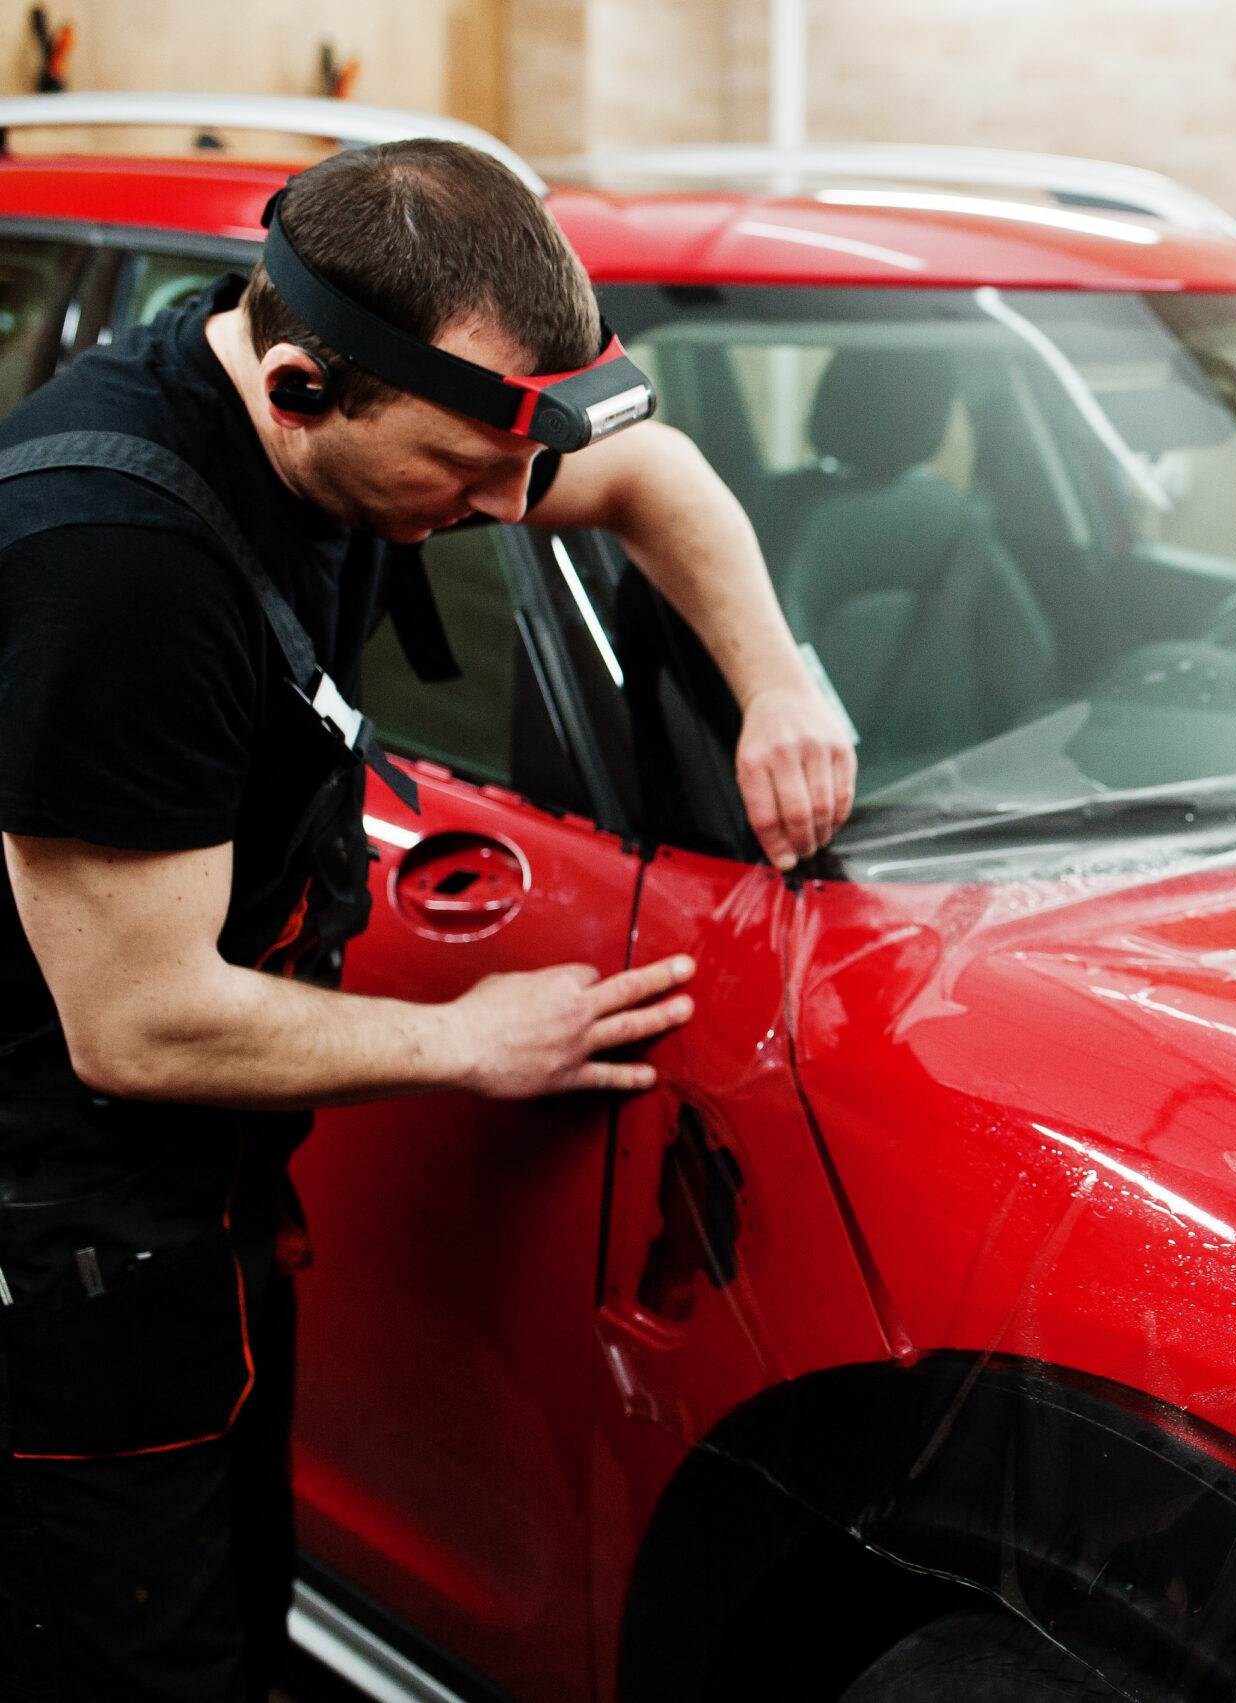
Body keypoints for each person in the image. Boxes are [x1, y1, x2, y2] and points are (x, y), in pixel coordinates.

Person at [0, 141, 854, 1699]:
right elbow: (131, 1021)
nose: (505, 509)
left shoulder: (381, 409)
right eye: (463, 479)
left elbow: (646, 471)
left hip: (207, 1213)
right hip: (66, 1239)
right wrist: (469, 1039)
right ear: (301, 388)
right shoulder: (108, 565)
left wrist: (780, 679)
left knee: (238, 1607)